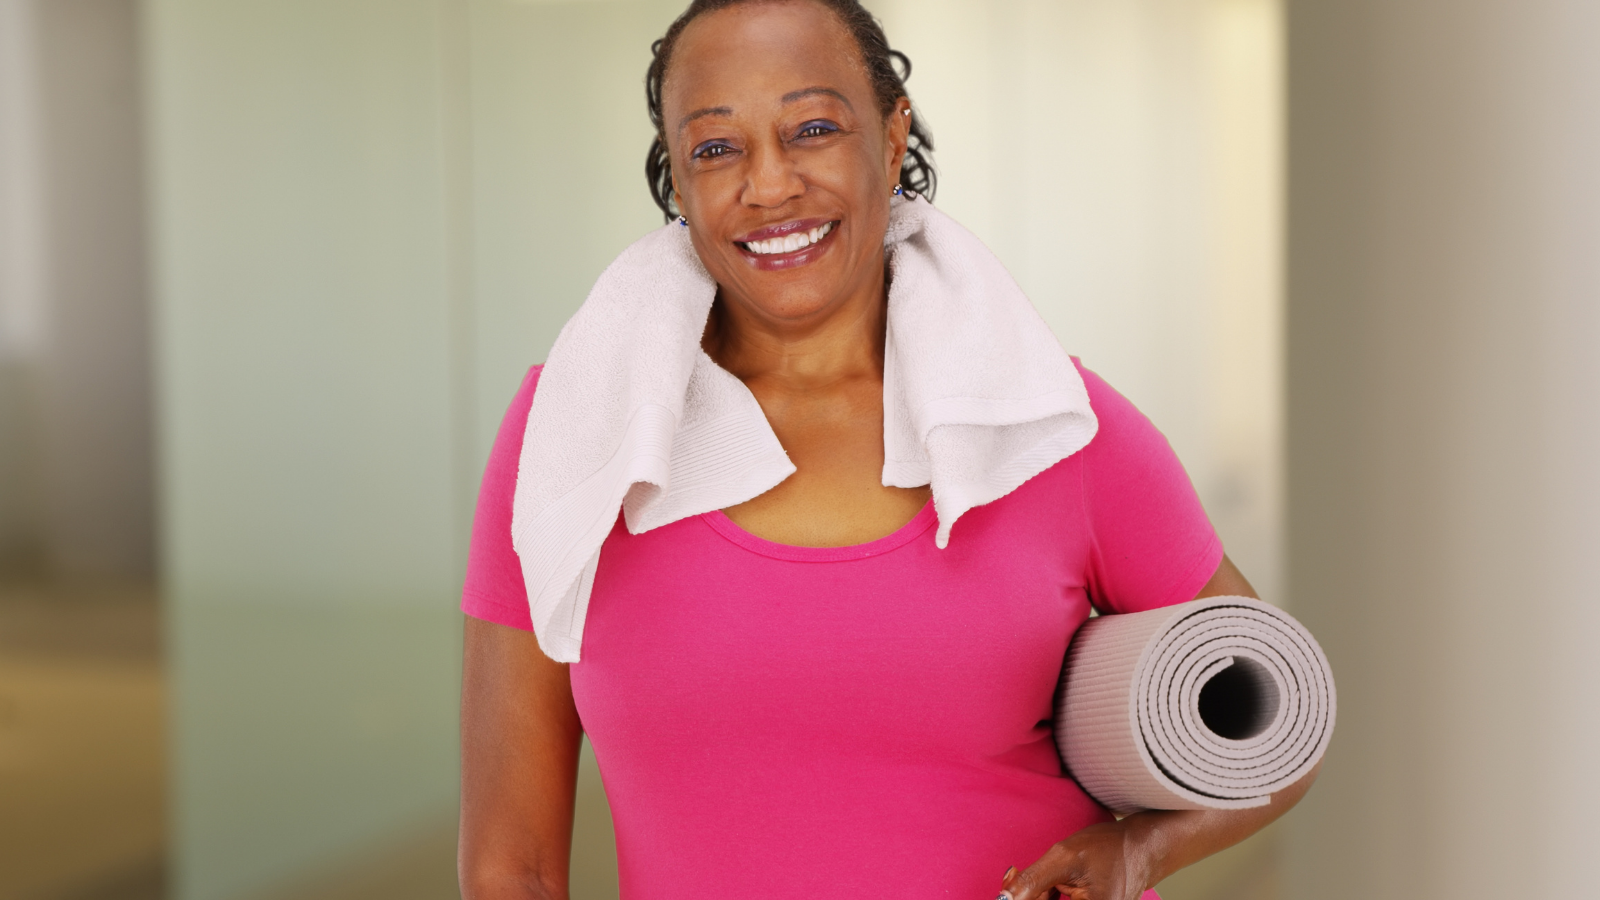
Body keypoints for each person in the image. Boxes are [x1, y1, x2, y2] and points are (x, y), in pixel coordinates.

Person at [457, 1, 1317, 899]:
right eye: (716, 148)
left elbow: (1280, 723)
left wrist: (1138, 853)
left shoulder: (1050, 430)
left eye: (814, 129)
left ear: (892, 132)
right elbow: (507, 865)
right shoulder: (574, 440)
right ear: (675, 170)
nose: (771, 185)